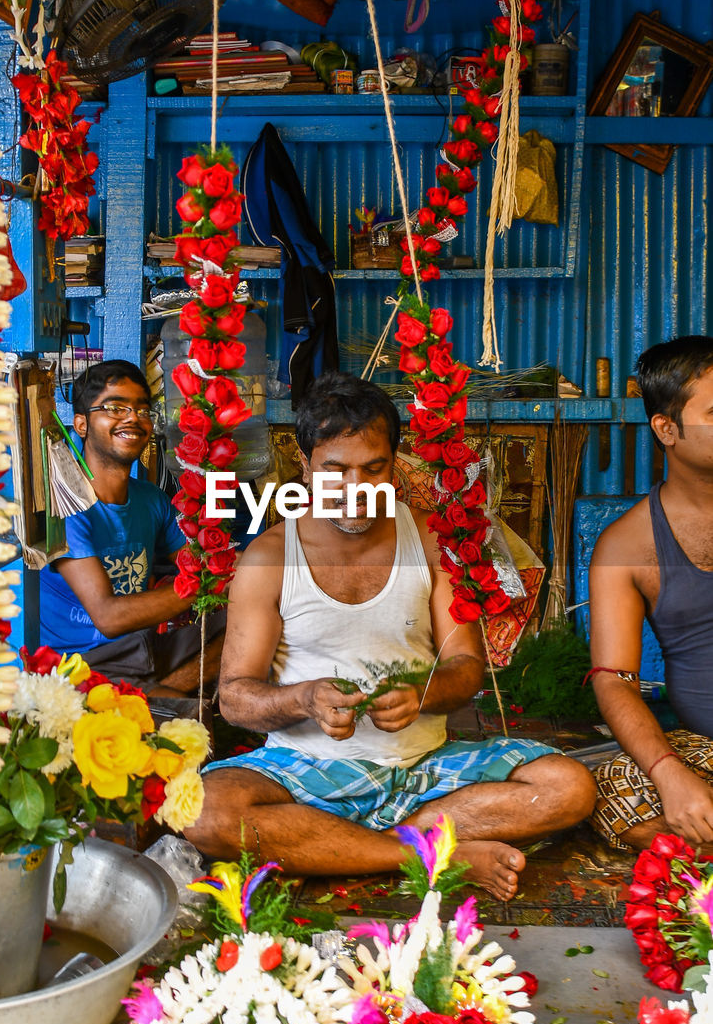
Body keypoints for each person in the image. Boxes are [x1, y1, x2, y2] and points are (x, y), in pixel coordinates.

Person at [185, 372, 596, 899]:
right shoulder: (268, 557)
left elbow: (468, 666)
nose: (355, 489)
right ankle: (423, 855)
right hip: (303, 772)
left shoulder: (430, 542)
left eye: (373, 469)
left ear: (394, 467)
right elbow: (236, 698)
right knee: (201, 807)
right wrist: (304, 698)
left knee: (568, 787)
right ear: (305, 466)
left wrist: (423, 692)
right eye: (335, 470)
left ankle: (341, 844)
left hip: (423, 769)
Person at [589, 336, 713, 852]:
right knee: (613, 792)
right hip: (707, 752)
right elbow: (614, 679)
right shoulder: (627, 544)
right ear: (667, 429)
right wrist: (670, 774)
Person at [39, 359, 223, 693]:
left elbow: (198, 564)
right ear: (81, 424)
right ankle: (157, 697)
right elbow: (108, 618)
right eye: (115, 407)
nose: (132, 418)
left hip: (143, 648)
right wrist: (209, 584)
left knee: (252, 621)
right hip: (83, 664)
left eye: (142, 410)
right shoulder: (65, 505)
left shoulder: (151, 500)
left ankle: (162, 692)